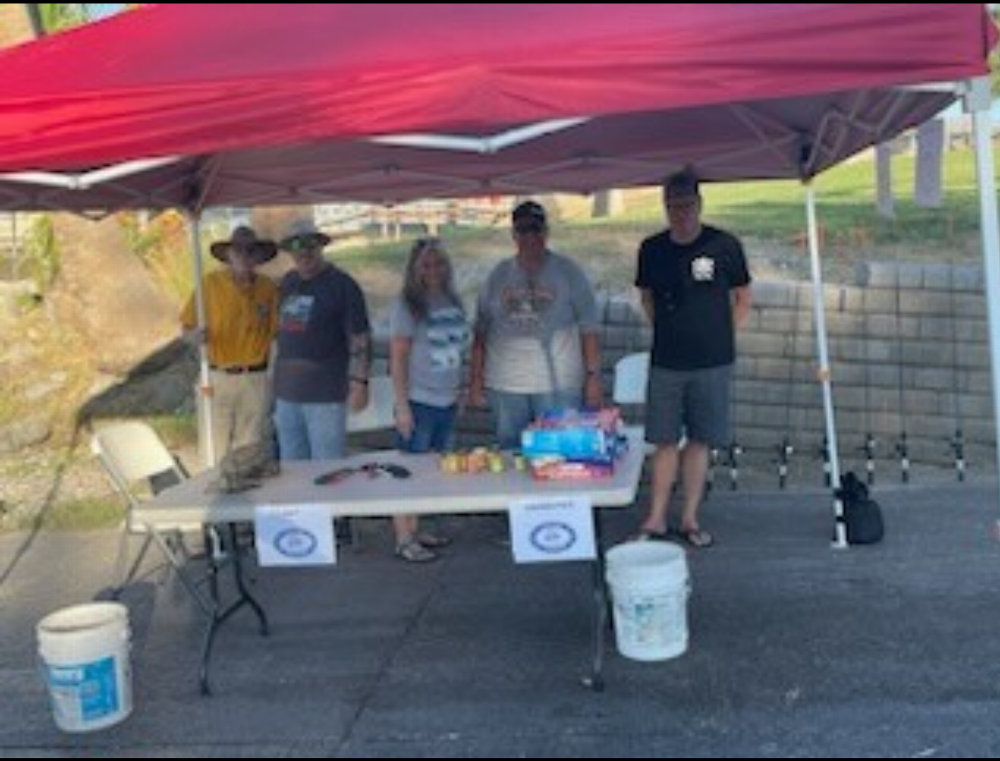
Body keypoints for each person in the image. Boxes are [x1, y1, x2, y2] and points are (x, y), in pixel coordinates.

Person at [633, 170, 752, 549]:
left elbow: (743, 296)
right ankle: (656, 517)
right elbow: (646, 297)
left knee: (701, 441)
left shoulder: (724, 245)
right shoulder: (652, 249)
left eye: (686, 205)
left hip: (712, 362)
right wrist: (666, 329)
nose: (680, 213)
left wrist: (722, 334)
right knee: (664, 440)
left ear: (699, 205)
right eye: (672, 206)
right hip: (667, 361)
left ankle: (689, 517)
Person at [468, 200, 603, 448]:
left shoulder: (569, 272)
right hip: (505, 383)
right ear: (514, 234)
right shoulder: (498, 274)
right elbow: (480, 331)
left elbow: (589, 328)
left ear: (546, 232)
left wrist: (593, 377)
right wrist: (475, 381)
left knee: (559, 455)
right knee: (510, 457)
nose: (530, 236)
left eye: (536, 229)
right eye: (523, 230)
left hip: (559, 384)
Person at [387, 237, 469, 562]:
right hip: (419, 399)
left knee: (433, 469)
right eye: (426, 265)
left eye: (439, 263)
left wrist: (461, 389)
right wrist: (402, 405)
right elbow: (398, 358)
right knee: (409, 468)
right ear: (415, 269)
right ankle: (403, 536)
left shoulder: (452, 300)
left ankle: (417, 527)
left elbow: (457, 350)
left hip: (447, 399)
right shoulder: (408, 305)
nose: (433, 270)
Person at [272, 219, 371, 461]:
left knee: (328, 470)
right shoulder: (288, 282)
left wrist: (360, 383)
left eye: (310, 244)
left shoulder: (343, 285)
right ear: (290, 251)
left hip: (325, 397)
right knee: (292, 472)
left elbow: (360, 338)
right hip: (286, 395)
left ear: (320, 246)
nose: (304, 251)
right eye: (297, 245)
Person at [180, 225, 279, 460]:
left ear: (258, 257)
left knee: (250, 449)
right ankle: (215, 484)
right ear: (228, 255)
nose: (244, 256)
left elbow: (276, 332)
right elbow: (186, 328)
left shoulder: (268, 288)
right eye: (238, 251)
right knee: (215, 449)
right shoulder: (209, 284)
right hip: (217, 377)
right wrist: (194, 337)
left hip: (255, 378)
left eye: (250, 251)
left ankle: (246, 484)